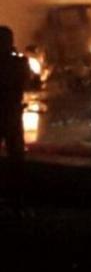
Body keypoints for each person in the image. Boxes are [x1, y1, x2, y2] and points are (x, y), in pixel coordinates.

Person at [0, 26, 32, 212]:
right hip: (11, 115)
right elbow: (26, 82)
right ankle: (17, 201)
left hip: (7, 113)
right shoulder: (18, 63)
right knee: (16, 159)